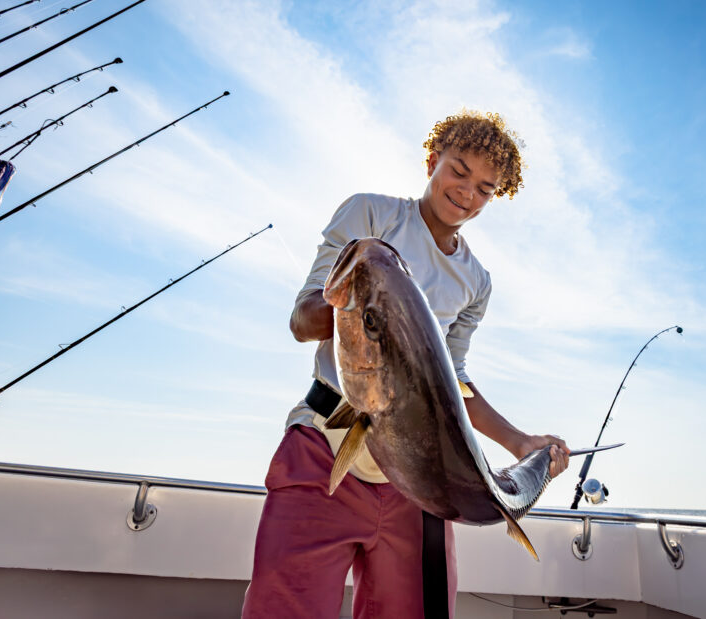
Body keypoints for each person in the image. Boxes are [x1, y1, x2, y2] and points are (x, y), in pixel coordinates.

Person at [242, 111, 570, 619]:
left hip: (419, 482)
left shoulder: (475, 281)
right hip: (324, 446)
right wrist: (358, 306)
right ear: (432, 159)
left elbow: (455, 382)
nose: (466, 192)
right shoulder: (370, 216)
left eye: (485, 188)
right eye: (458, 171)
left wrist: (522, 445)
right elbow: (301, 321)